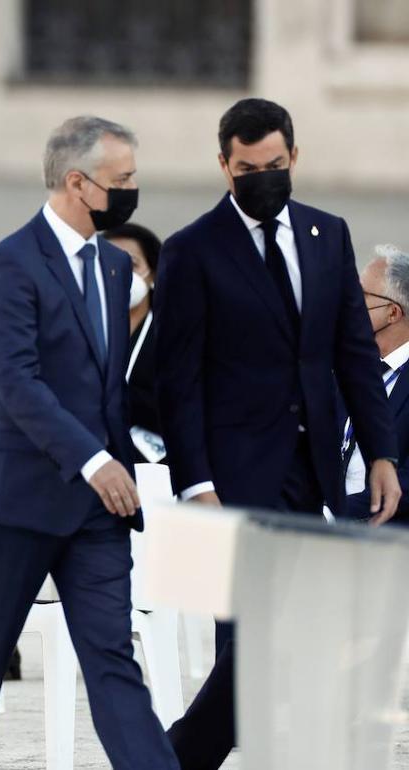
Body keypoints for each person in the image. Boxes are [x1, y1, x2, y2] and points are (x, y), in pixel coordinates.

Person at [154, 97, 399, 770]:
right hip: (231, 473)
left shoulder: (328, 234)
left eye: (275, 165)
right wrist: (196, 482)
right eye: (246, 167)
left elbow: (354, 352)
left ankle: (176, 759)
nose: (262, 177)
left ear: (295, 157)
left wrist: (381, 452)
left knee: (268, 639)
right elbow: (178, 383)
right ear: (223, 165)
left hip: (309, 465)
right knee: (256, 636)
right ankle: (175, 759)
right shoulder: (192, 252)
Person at [0, 116, 179, 770]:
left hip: (99, 512)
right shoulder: (12, 263)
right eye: (122, 180)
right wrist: (95, 460)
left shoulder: (109, 265)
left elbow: (108, 384)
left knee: (111, 660)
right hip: (18, 500)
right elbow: (17, 385)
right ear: (78, 182)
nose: (132, 191)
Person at [341, 244, 409, 524]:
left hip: (381, 543)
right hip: (309, 529)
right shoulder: (342, 366)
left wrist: (329, 513)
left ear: (393, 313)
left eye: (361, 295)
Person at [104, 223, 166, 463]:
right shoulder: (82, 330)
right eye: (108, 263)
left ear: (153, 274)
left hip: (156, 464)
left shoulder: (170, 335)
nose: (117, 272)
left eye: (130, 264)